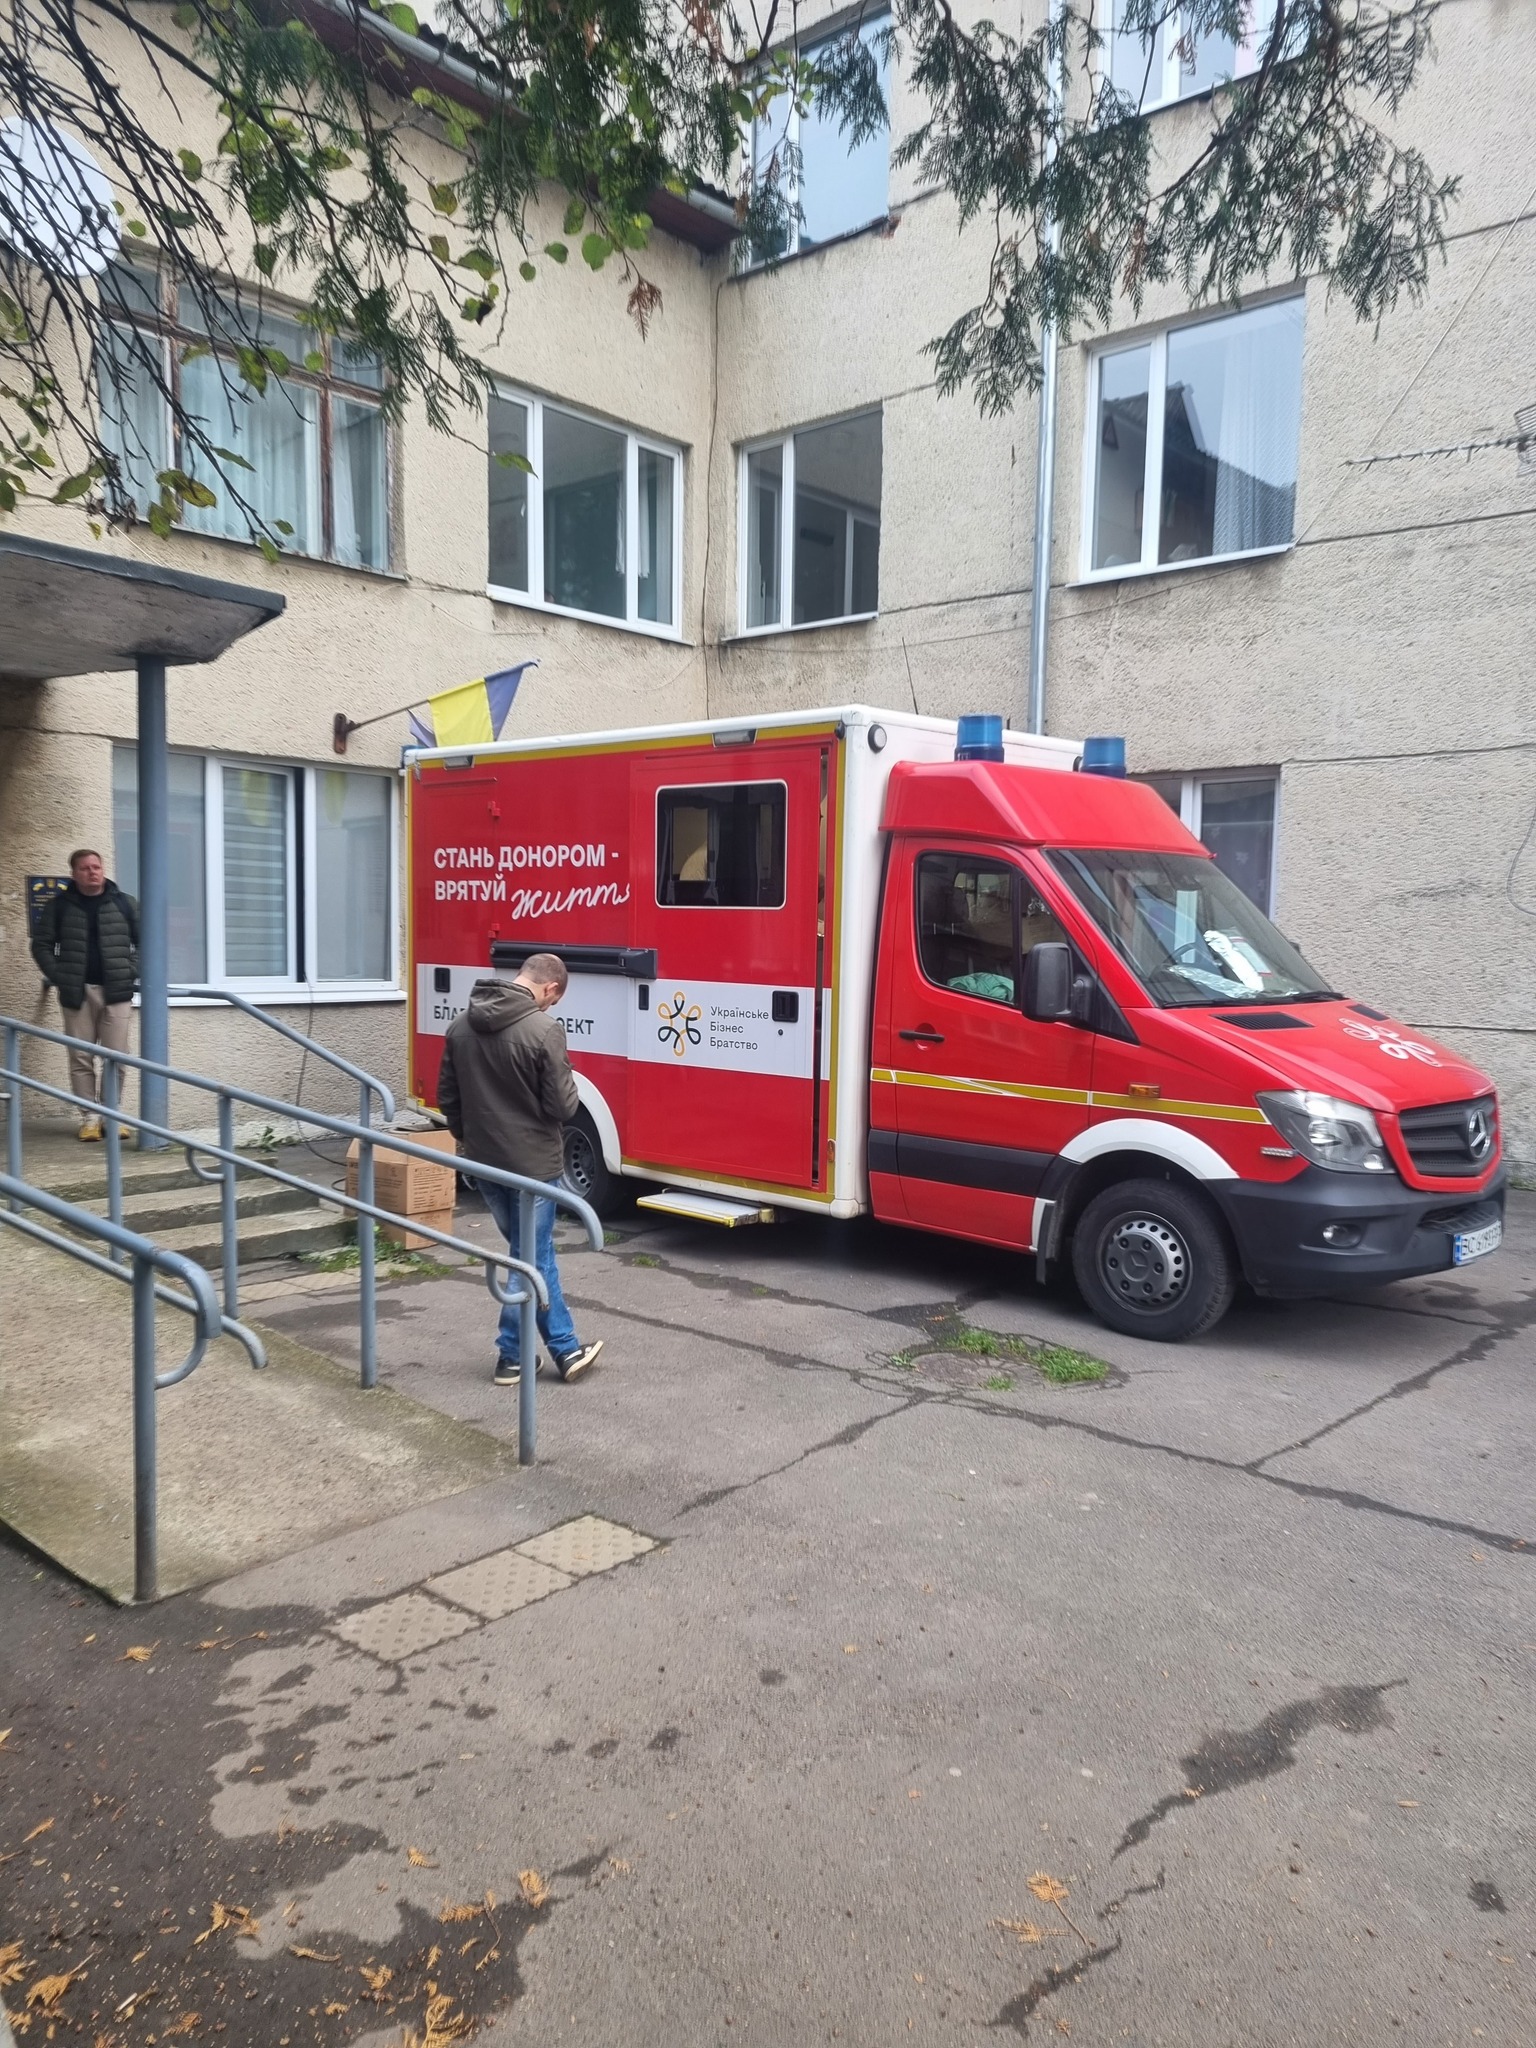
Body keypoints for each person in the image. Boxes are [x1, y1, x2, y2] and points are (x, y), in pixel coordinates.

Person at [436, 951, 603, 1387]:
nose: (551, 1006)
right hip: (533, 1166)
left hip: (485, 1163)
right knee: (530, 1258)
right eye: (554, 999)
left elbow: (448, 1098)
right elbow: (563, 1106)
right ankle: (521, 1354)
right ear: (549, 987)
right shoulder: (544, 1030)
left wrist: (470, 1138)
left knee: (527, 1254)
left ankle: (554, 1350)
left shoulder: (460, 1025)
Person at [29, 848, 139, 1141]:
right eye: (85, 868)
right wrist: (60, 976)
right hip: (77, 992)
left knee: (116, 1057)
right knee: (80, 1056)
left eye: (96, 867)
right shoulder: (59, 906)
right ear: (74, 874)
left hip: (116, 991)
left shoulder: (125, 903)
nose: (92, 872)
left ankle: (112, 1116)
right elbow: (41, 945)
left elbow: (146, 942)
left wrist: (131, 971)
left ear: (102, 869)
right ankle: (90, 1117)